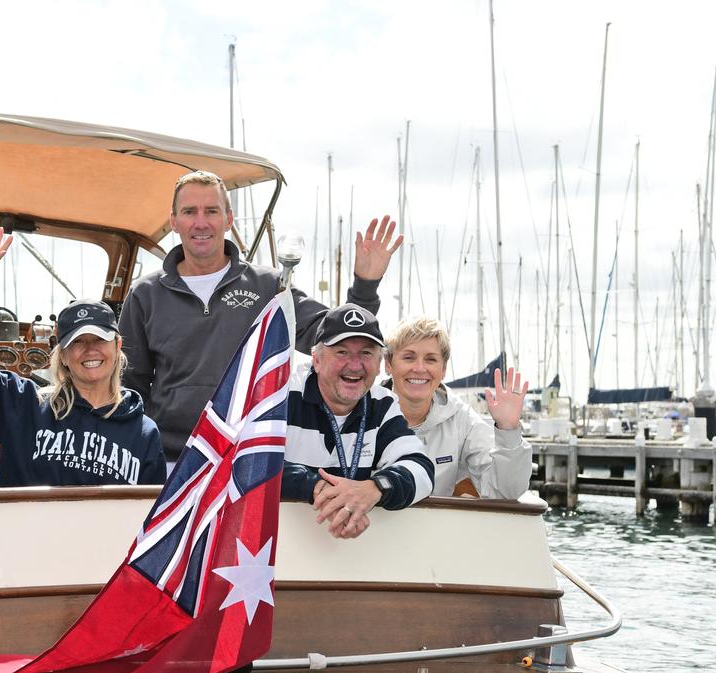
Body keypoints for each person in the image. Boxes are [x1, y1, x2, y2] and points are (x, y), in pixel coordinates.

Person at [119, 169, 403, 468]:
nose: (201, 222)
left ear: (228, 218)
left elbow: (334, 335)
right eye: (190, 211)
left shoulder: (268, 286)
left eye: (211, 211)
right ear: (174, 221)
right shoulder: (146, 294)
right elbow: (128, 385)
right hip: (168, 462)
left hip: (247, 460)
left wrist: (365, 284)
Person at [0, 228, 166, 488]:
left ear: (117, 346)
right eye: (78, 342)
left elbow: (151, 516)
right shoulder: (24, 406)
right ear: (64, 355)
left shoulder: (145, 433)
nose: (90, 349)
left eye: (99, 339)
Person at [281, 304, 433, 539]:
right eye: (342, 352)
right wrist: (316, 487)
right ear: (317, 361)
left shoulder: (382, 403)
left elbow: (421, 468)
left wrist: (374, 489)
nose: (355, 365)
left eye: (366, 353)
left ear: (379, 364)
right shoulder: (280, 395)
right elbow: (249, 463)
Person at [383, 317, 532, 499]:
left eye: (430, 359)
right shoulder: (365, 412)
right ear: (388, 364)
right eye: (409, 357)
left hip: (440, 527)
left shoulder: (462, 419)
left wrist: (508, 430)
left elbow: (505, 491)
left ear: (444, 369)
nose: (420, 368)